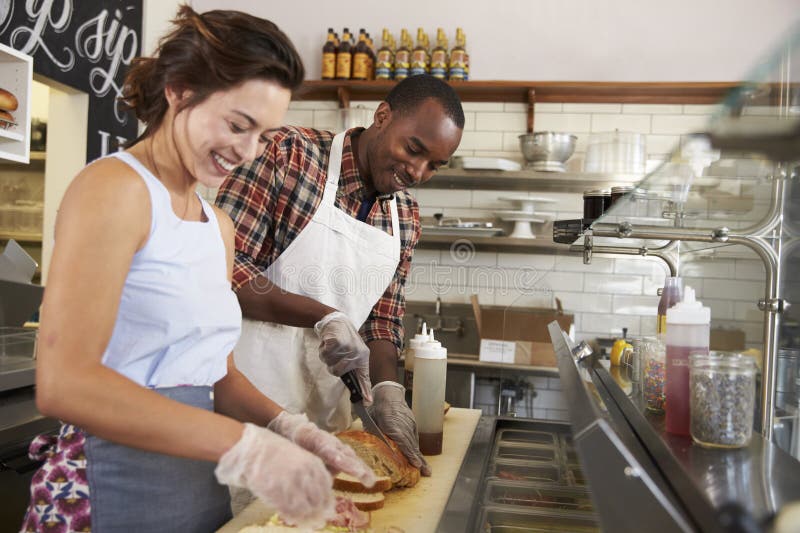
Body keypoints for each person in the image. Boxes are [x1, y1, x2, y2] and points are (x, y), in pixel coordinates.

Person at [20, 7, 375, 533]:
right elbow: (64, 384)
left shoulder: (218, 226)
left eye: (262, 135)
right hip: (106, 489)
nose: (248, 151)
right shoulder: (115, 190)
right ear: (180, 91)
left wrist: (292, 429)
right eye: (238, 124)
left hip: (193, 492)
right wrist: (248, 447)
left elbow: (215, 375)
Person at [215, 74, 465, 476]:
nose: (418, 172)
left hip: (326, 427)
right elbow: (224, 269)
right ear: (383, 116)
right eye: (413, 148)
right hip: (246, 407)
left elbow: (383, 321)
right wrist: (323, 315)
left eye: (434, 165)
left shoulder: (406, 216)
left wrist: (387, 390)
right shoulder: (288, 154)